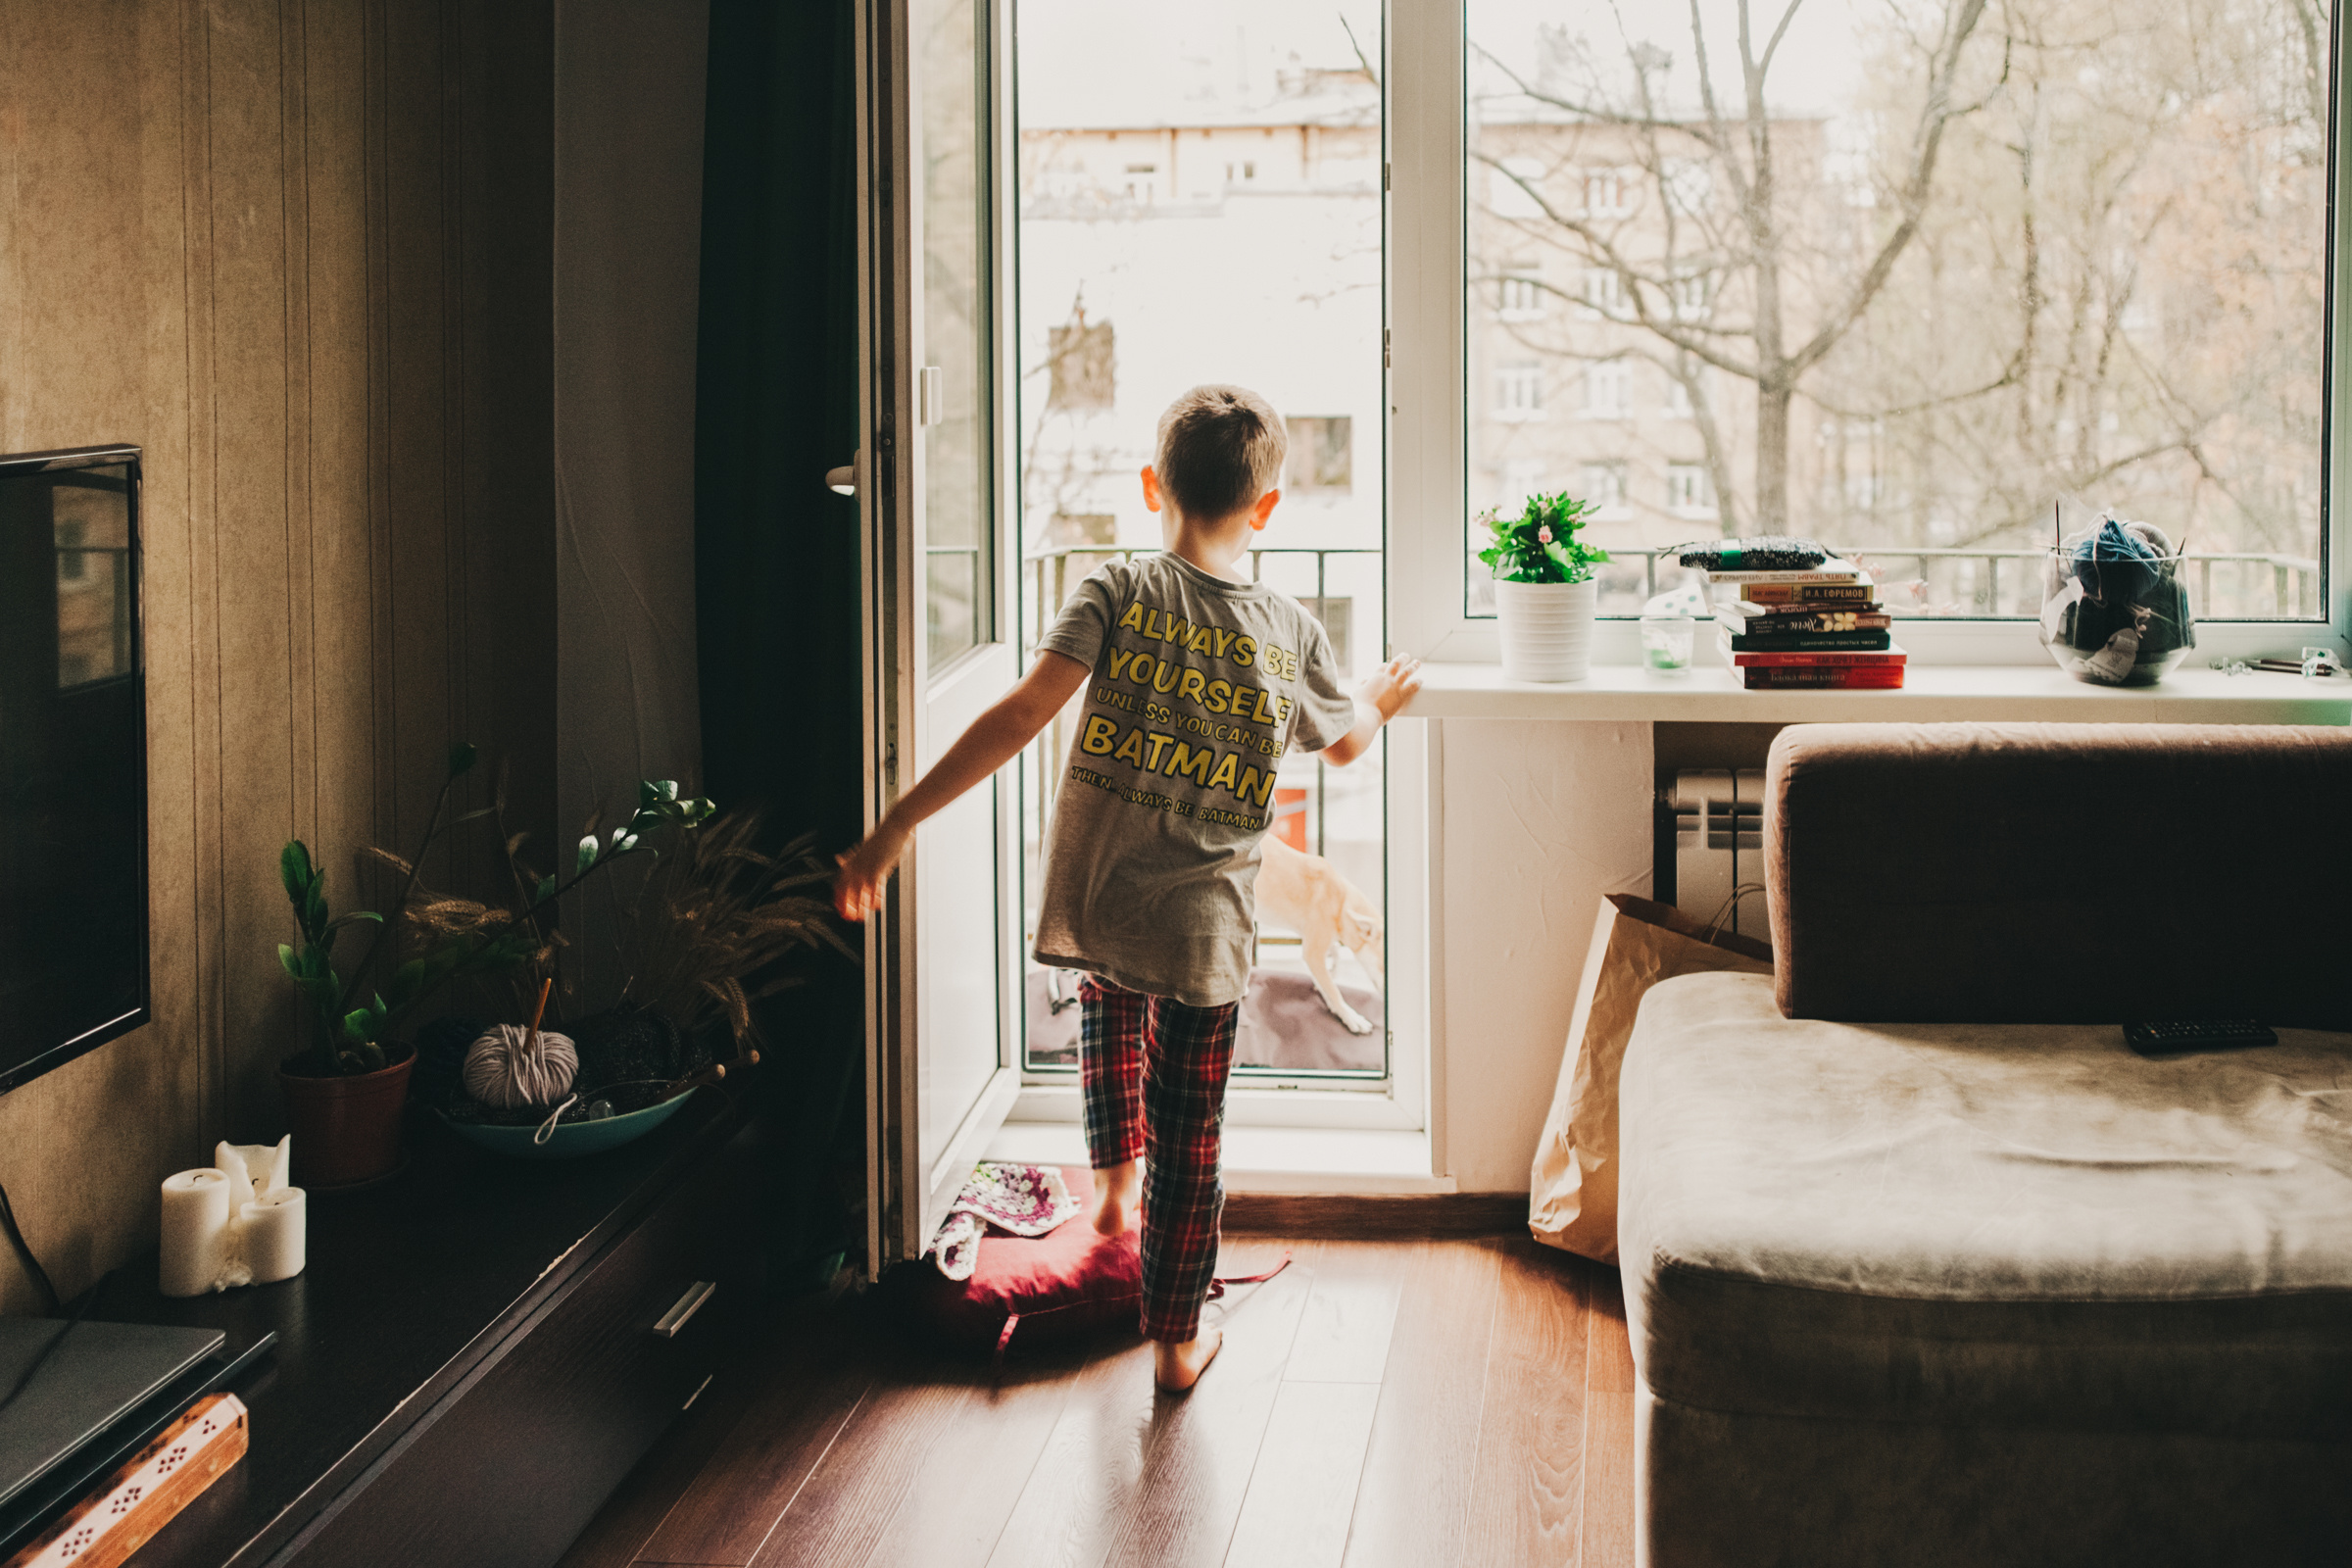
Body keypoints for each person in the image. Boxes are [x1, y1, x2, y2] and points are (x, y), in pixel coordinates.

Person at [835, 384, 1422, 1391]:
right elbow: (1346, 746)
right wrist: (1376, 697)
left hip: (1103, 898)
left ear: (1154, 485)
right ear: (1268, 508)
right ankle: (1176, 1341)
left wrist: (894, 827)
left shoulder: (1116, 587)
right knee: (1190, 1140)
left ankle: (1111, 1192)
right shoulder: (1288, 628)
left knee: (1107, 1039)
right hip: (1204, 934)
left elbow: (1020, 715)